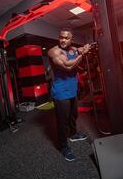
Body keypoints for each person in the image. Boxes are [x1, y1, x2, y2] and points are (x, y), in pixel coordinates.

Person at [48, 28, 92, 161]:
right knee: (62, 122)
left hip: (72, 90)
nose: (63, 40)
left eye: (67, 38)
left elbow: (78, 51)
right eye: (61, 37)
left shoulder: (73, 49)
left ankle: (73, 134)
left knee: (74, 115)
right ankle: (63, 147)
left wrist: (84, 48)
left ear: (71, 40)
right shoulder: (54, 51)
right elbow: (67, 66)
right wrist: (82, 54)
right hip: (61, 92)